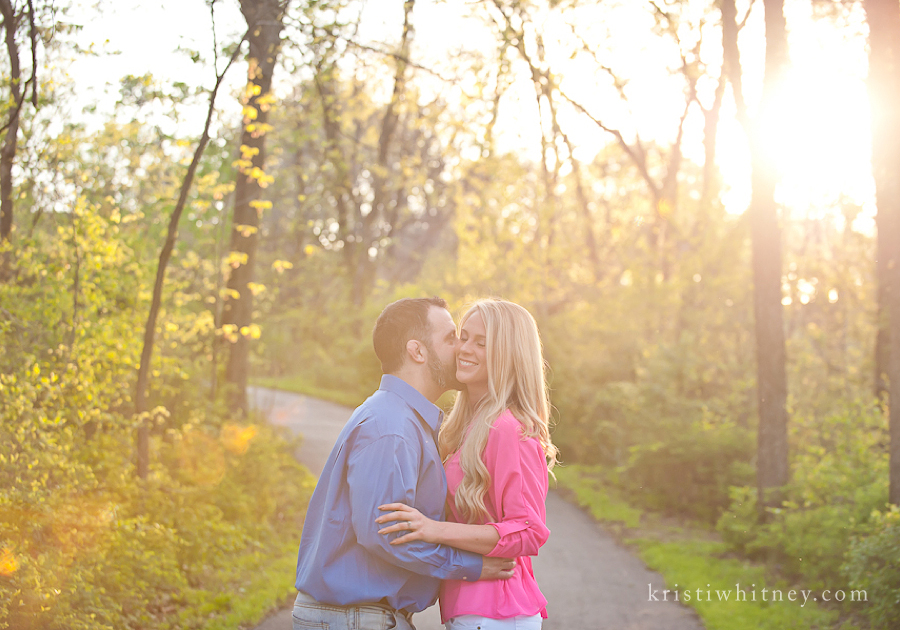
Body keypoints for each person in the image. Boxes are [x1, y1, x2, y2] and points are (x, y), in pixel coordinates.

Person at [293, 297, 516, 630]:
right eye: (451, 338)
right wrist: (470, 565)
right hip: (354, 619)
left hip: (360, 617)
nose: (461, 348)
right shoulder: (392, 427)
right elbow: (387, 534)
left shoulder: (403, 419)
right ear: (418, 351)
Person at [376, 298, 558, 630]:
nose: (464, 348)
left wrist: (434, 530)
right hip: (473, 610)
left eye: (480, 342)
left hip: (497, 611)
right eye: (462, 336)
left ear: (507, 354)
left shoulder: (508, 429)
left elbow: (529, 531)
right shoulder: (463, 428)